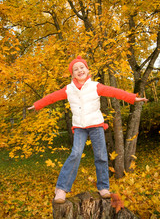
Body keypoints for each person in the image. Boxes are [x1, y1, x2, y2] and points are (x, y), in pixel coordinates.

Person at [28, 55, 148, 204]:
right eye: (75, 69)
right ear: (72, 74)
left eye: (82, 67)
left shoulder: (95, 86)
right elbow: (52, 97)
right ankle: (61, 189)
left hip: (96, 125)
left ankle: (103, 187)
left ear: (87, 69)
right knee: (76, 153)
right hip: (79, 127)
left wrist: (132, 98)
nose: (79, 70)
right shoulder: (68, 89)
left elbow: (115, 92)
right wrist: (37, 105)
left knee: (101, 156)